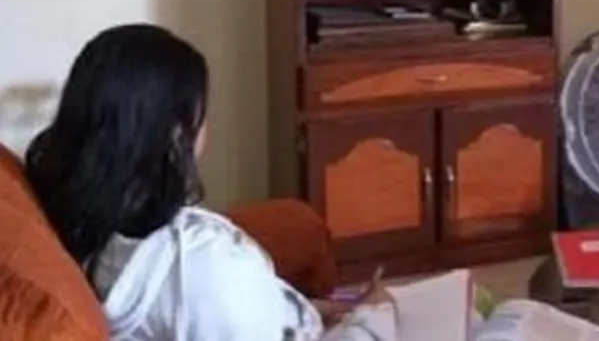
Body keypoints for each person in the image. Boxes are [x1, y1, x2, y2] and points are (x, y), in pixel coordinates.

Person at [24, 24, 398, 340]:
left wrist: (304, 309)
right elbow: (222, 307)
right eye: (202, 115)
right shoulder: (206, 269)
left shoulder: (86, 221)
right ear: (175, 135)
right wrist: (376, 317)